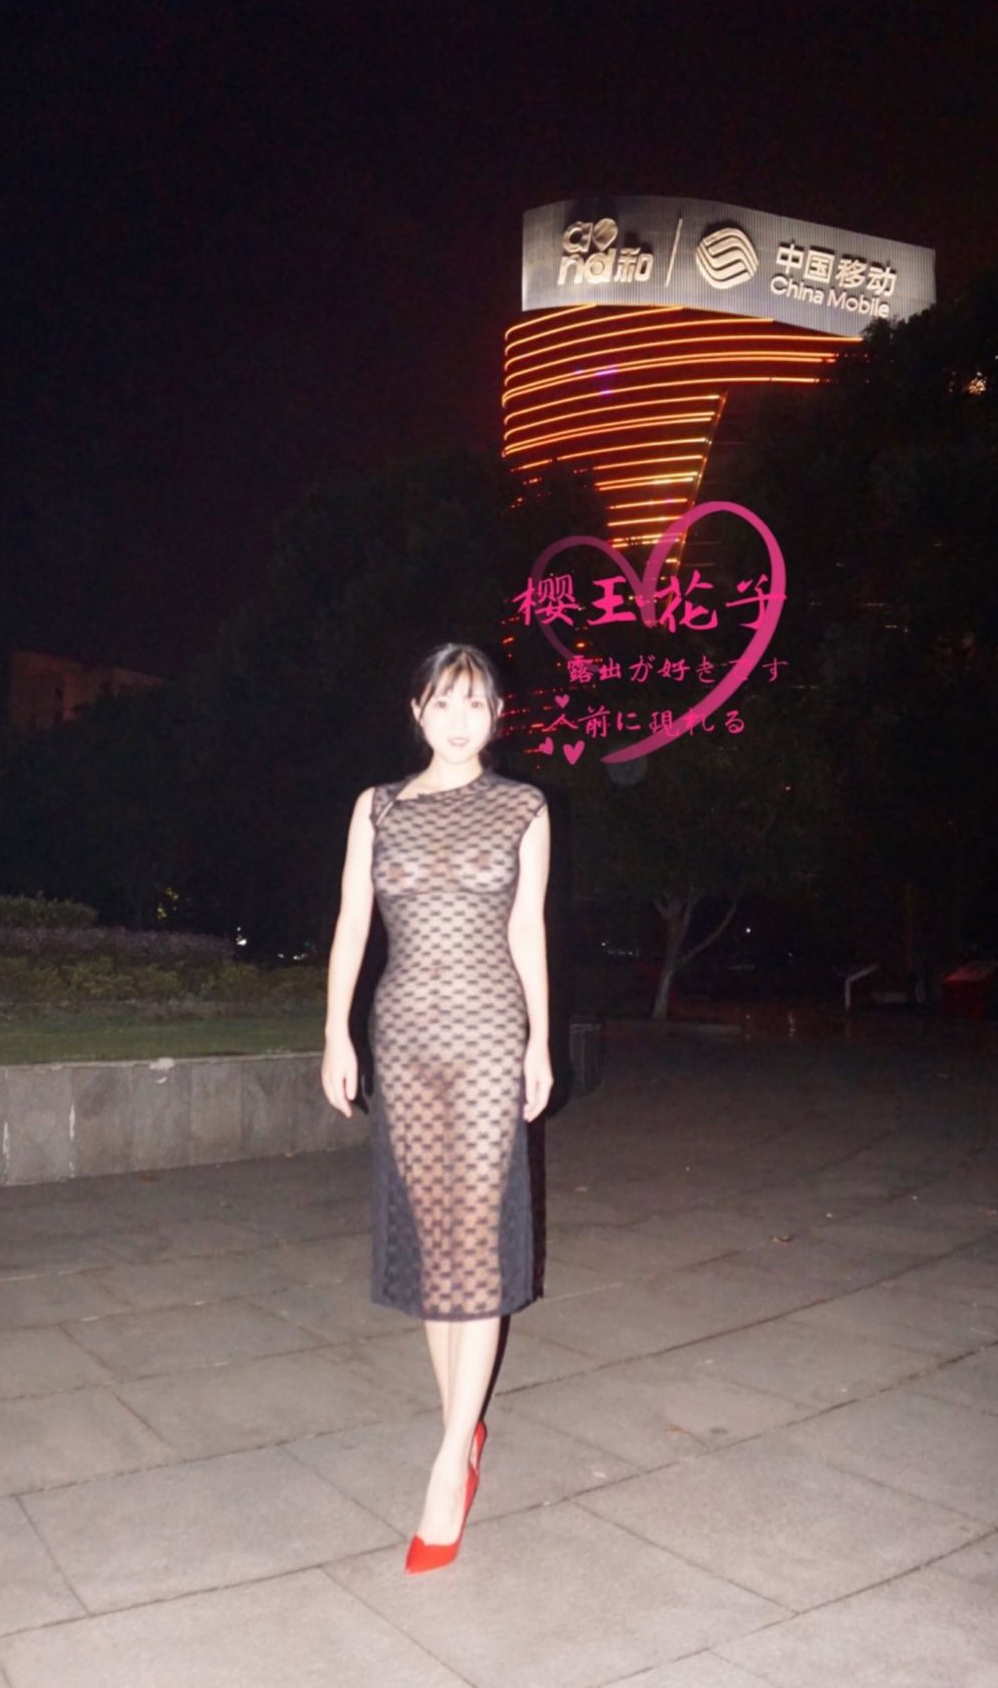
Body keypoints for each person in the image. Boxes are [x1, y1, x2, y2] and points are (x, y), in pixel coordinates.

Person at [320, 641, 552, 1574]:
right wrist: (334, 1033)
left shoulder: (524, 807)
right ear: (416, 712)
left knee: (475, 1242)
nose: (460, 720)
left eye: (476, 703)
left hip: (491, 1029)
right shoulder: (376, 807)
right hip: (406, 1032)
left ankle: (450, 1461)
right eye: (443, 703)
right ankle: (463, 1425)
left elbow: (527, 927)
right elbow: (352, 920)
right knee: (434, 1242)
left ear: (496, 714)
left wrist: (540, 1040)